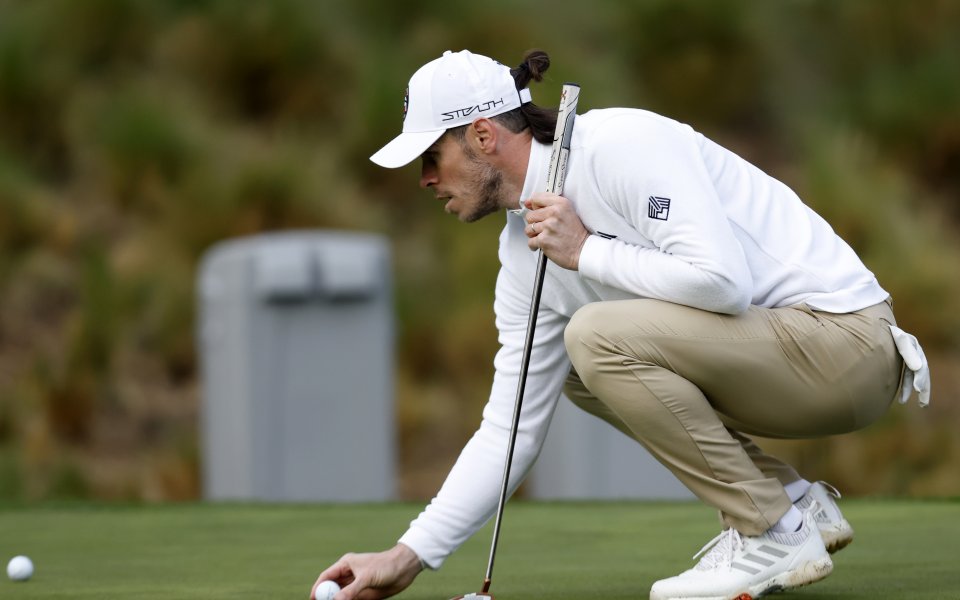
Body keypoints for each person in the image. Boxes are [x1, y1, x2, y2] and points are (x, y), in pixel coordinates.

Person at [311, 49, 931, 600]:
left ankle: (771, 529)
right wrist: (407, 556)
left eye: (430, 156)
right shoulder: (521, 255)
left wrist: (586, 251)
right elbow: (508, 429)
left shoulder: (619, 146)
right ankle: (792, 505)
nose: (423, 179)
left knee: (593, 337)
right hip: (784, 363)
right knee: (580, 364)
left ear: (480, 136)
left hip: (849, 346)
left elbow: (723, 282)